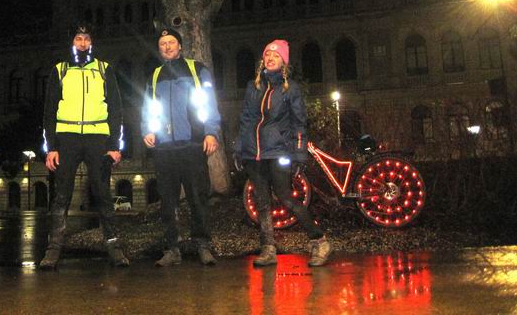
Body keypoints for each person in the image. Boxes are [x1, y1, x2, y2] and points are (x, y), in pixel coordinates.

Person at [38, 23, 129, 270]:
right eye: (78, 38)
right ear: (72, 42)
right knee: (61, 195)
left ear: (92, 42)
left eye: (87, 39)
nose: (82, 43)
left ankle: (114, 248)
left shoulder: (103, 69)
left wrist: (114, 145)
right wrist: (51, 147)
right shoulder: (60, 70)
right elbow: (49, 111)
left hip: (97, 138)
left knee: (103, 194)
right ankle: (53, 250)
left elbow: (116, 109)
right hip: (66, 138)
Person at [234, 39, 332, 267]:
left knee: (286, 198)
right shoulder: (253, 86)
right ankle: (268, 248)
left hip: (278, 151)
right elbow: (246, 120)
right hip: (254, 154)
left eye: (276, 55)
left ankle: (319, 241)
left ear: (283, 62)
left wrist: (299, 154)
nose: (270, 58)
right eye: (268, 54)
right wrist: (239, 148)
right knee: (262, 202)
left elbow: (299, 123)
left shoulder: (290, 89)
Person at [142, 28, 221, 266]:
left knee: (198, 197)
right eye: (163, 43)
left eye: (171, 42)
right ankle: (172, 248)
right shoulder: (155, 75)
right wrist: (147, 129)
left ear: (180, 46)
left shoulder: (197, 70)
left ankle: (203, 245)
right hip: (164, 148)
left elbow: (209, 103)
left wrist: (211, 132)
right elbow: (148, 106)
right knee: (168, 201)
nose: (167, 46)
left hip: (192, 144)